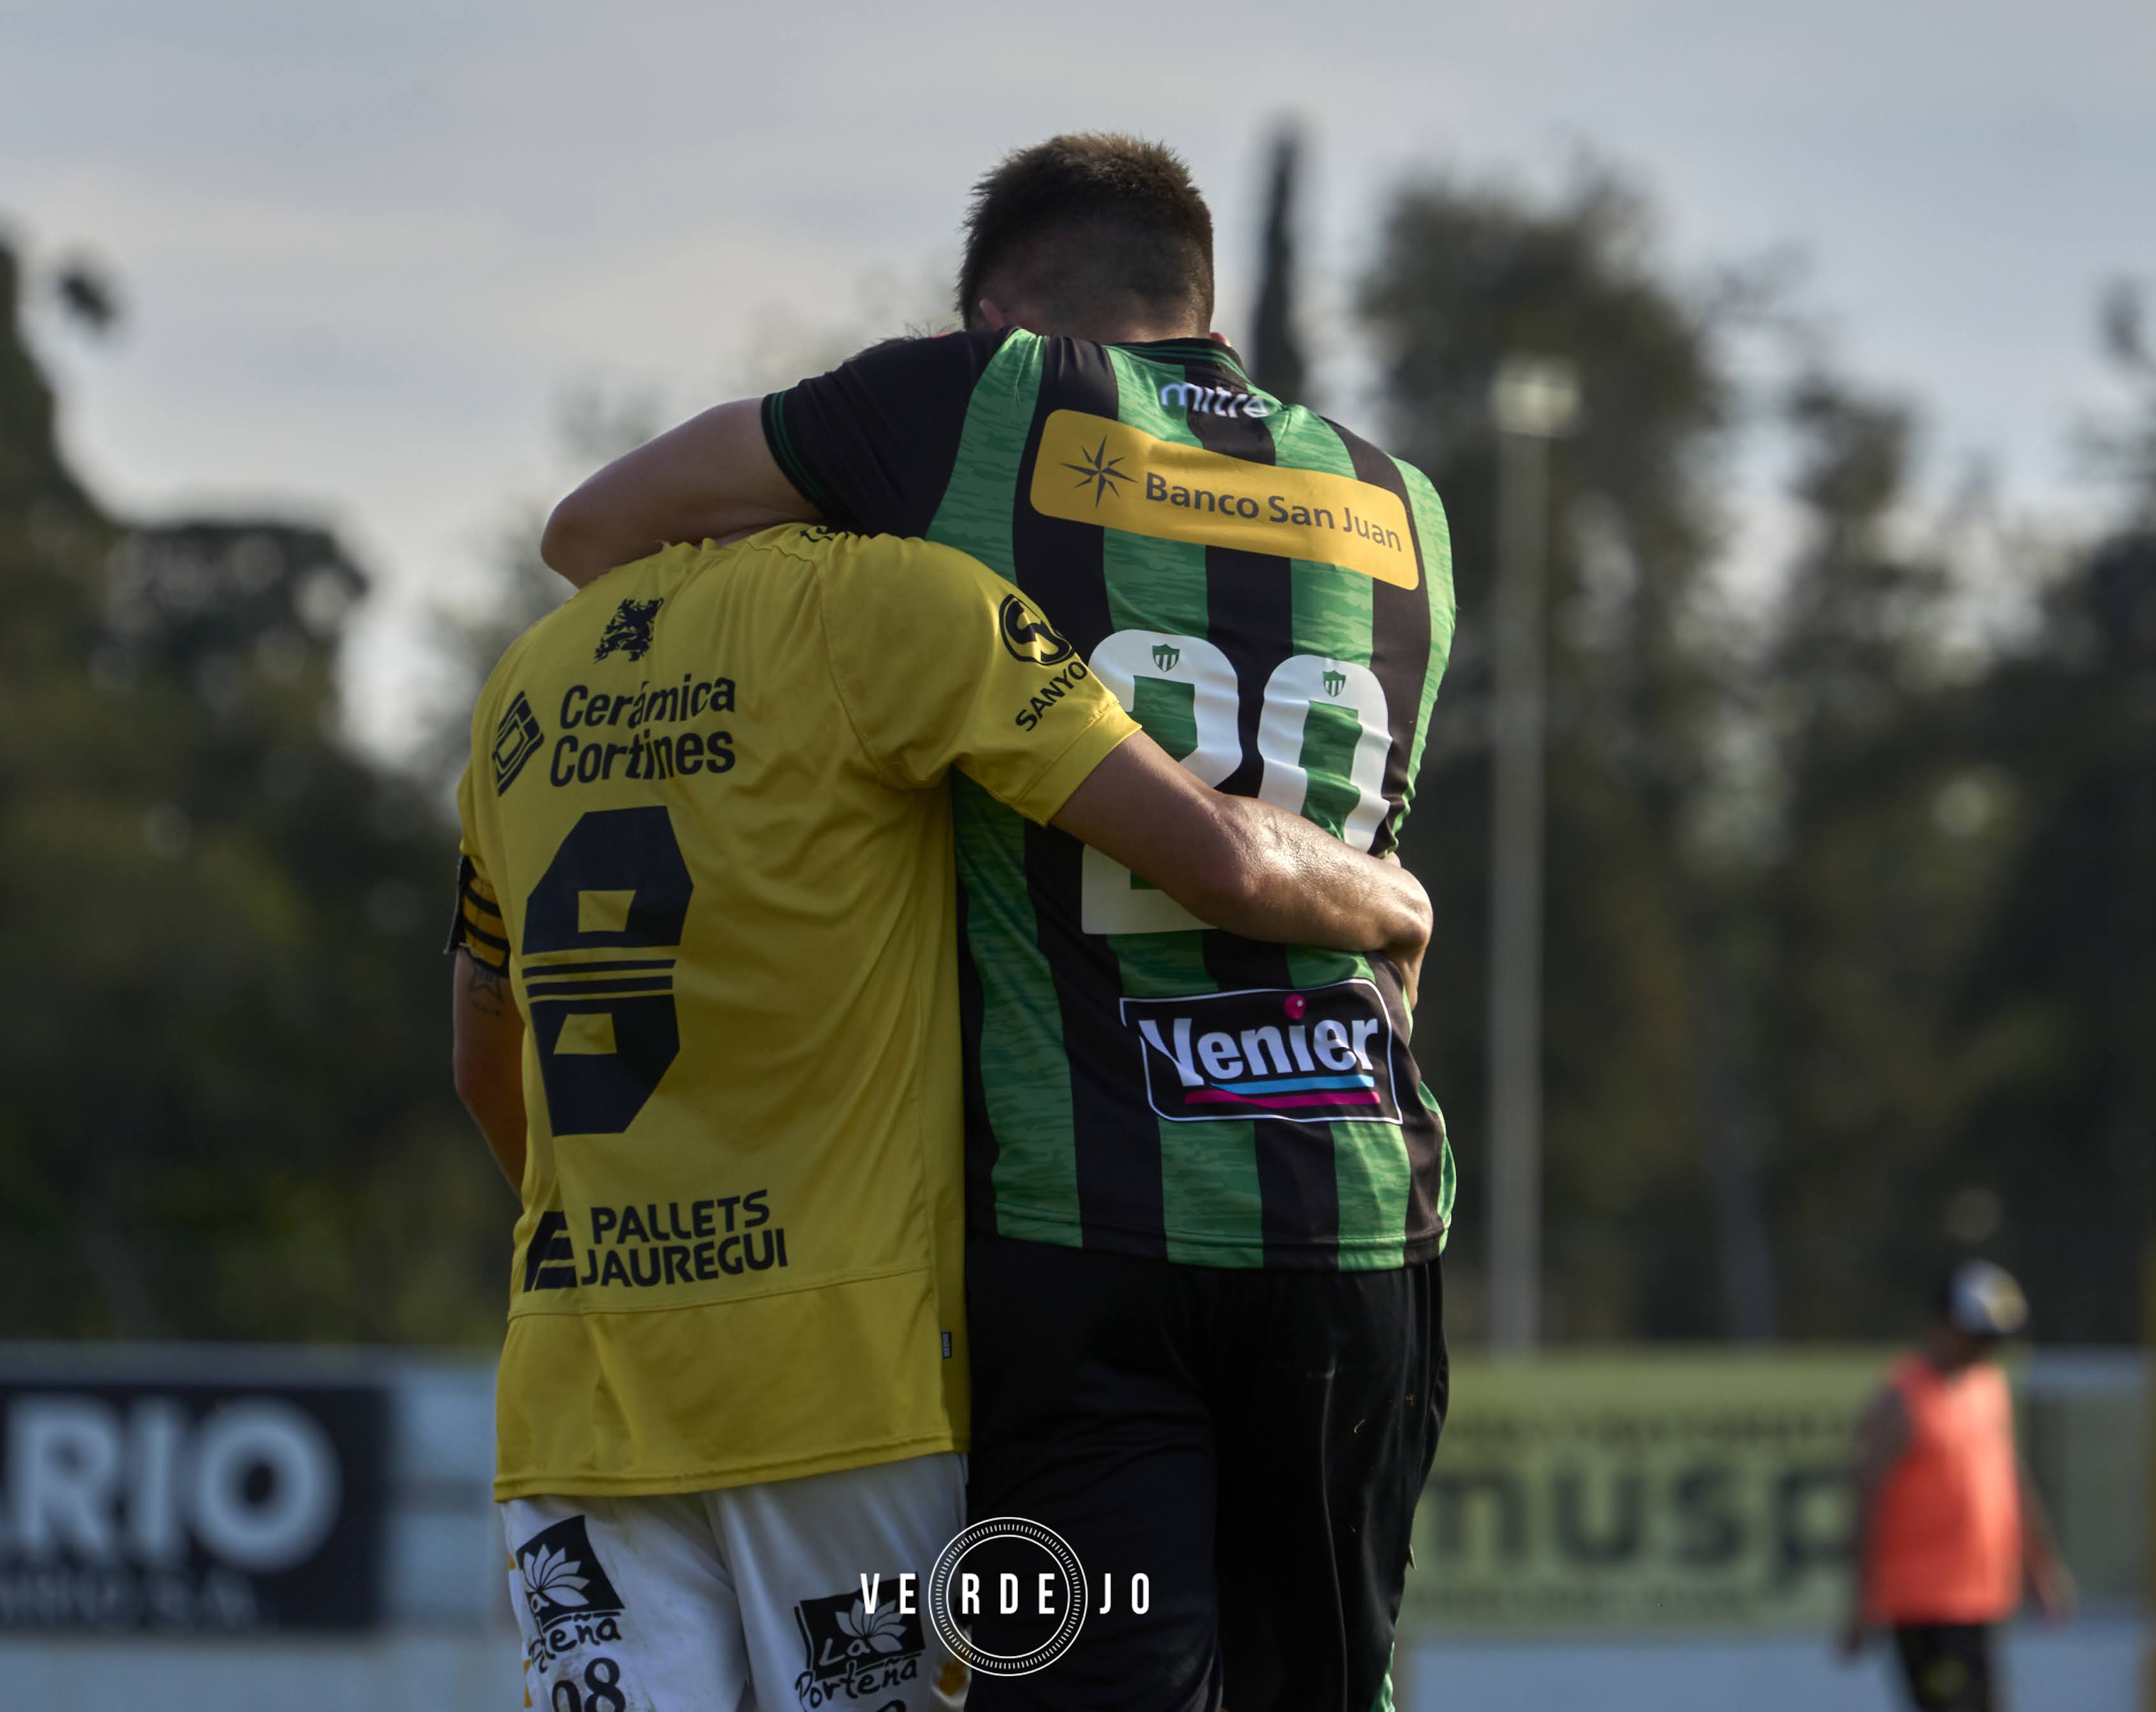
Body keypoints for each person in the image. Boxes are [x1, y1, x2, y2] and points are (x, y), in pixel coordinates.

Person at [545, 133, 1457, 1712]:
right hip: (1357, 1215)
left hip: (1075, 1228)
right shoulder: (1405, 503)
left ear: (996, 306)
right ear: (1199, 294)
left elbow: (598, 531)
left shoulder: (977, 397)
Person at [448, 519, 1433, 1712]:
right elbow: (1205, 850)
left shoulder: (529, 674)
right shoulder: (891, 600)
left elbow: (480, 1054)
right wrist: (1385, 899)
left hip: (577, 1389)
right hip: (839, 1392)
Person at [1839, 1261, 2077, 1712]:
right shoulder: (1901, 1399)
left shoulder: (1987, 1386)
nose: (1984, 1351)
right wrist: (1860, 1601)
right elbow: (1865, 1496)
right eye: (1977, 1337)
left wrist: (2039, 1565)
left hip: (1981, 1597)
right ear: (1943, 1325)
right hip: (1924, 1604)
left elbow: (2007, 1480)